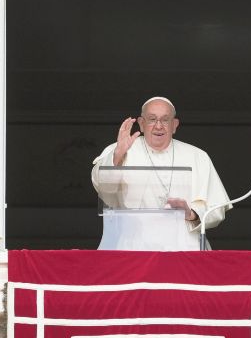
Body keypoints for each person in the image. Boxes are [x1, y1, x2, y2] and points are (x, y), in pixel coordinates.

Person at [91, 96, 231, 249]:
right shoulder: (120, 149)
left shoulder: (198, 156)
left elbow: (217, 208)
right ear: (141, 124)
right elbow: (103, 187)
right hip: (134, 247)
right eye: (152, 119)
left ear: (174, 125)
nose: (158, 126)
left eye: (165, 120)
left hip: (183, 247)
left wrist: (191, 214)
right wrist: (117, 156)